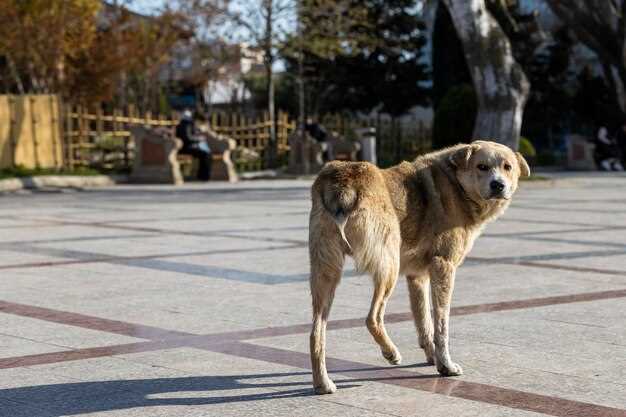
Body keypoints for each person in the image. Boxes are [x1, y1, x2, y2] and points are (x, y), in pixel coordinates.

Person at [175, 110, 212, 181]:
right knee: (205, 154)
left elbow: (190, 135)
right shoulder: (186, 125)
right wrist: (199, 139)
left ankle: (202, 175)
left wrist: (198, 136)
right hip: (186, 148)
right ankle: (203, 176)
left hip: (185, 147)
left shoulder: (183, 124)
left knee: (206, 154)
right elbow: (188, 138)